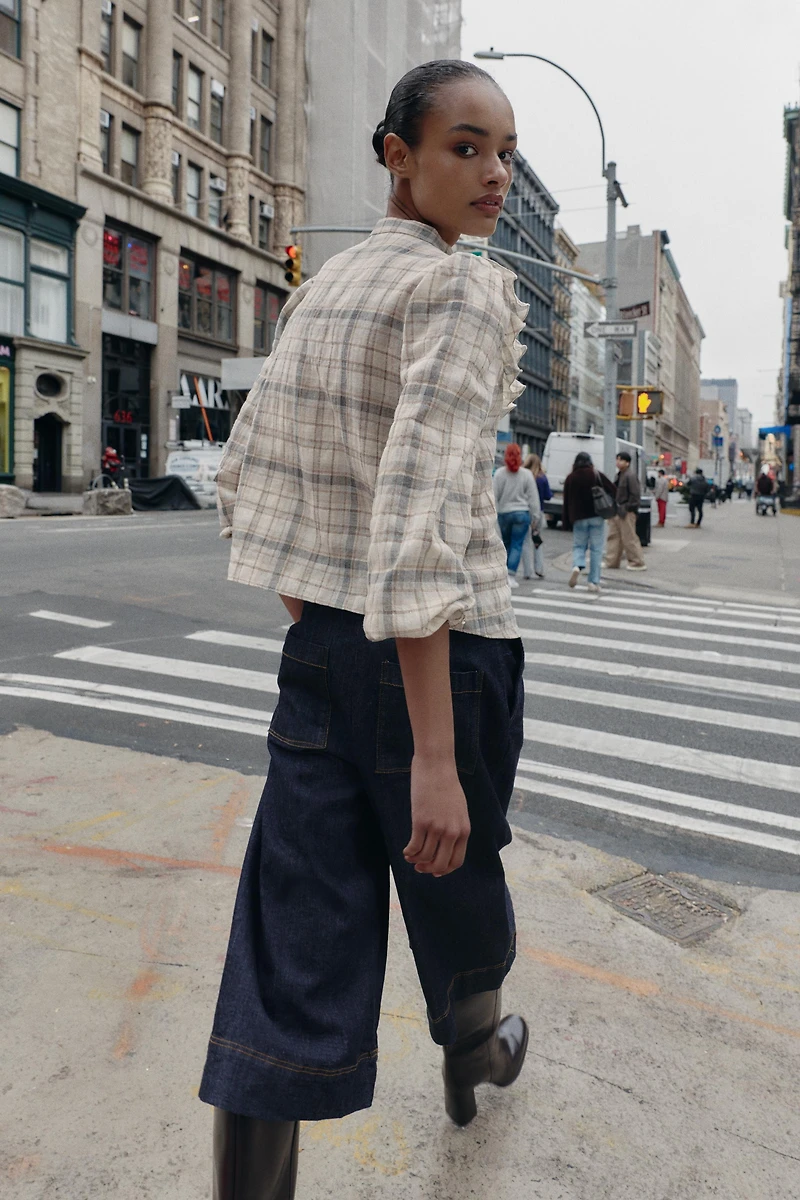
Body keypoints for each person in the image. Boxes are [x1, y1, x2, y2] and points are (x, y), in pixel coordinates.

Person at [199, 60, 530, 1199]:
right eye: (464, 147)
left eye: (502, 152)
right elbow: (421, 519)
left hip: (325, 655)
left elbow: (245, 480)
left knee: (288, 951)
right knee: (458, 891)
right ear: (396, 155)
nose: (492, 174)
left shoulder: (322, 288)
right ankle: (476, 1050)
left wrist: (328, 622)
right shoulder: (461, 290)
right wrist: (430, 753)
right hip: (444, 665)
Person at [562, 451, 616, 596]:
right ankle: (593, 582)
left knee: (579, 546)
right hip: (596, 516)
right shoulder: (596, 474)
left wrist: (566, 522)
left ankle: (577, 565)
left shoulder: (570, 478)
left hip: (578, 518)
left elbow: (566, 502)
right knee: (596, 549)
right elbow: (613, 489)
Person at [493, 442, 540, 587]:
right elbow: (533, 498)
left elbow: (494, 495)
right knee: (517, 544)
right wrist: (535, 516)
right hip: (521, 513)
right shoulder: (526, 475)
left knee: (506, 544)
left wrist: (494, 514)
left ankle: (504, 572)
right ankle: (511, 574)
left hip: (504, 513)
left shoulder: (500, 474)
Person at [605, 449, 646, 570]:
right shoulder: (620, 475)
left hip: (626, 511)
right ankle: (611, 561)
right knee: (614, 537)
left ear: (627, 462)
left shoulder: (630, 475)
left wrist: (628, 508)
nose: (618, 462)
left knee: (629, 538)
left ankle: (637, 562)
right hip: (617, 510)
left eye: (621, 460)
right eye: (617, 459)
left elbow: (635, 495)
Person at [520, 452, 551, 578]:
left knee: (525, 541)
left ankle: (527, 570)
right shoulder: (542, 478)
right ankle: (539, 568)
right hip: (539, 511)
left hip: (524, 510)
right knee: (537, 540)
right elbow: (548, 495)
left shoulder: (523, 476)